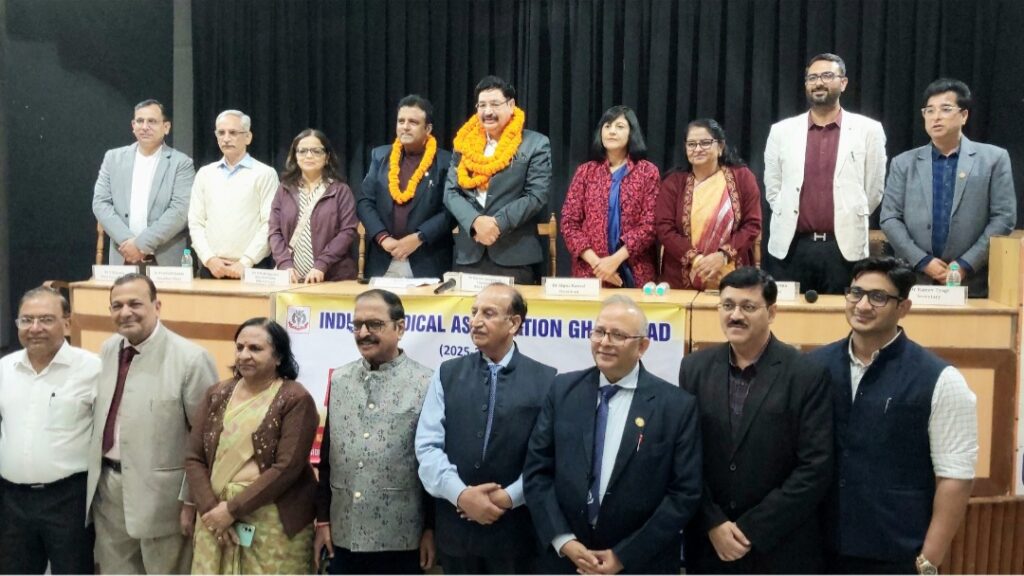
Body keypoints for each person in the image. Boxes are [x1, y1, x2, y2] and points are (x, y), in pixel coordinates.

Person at [809, 257, 977, 574]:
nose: (862, 305)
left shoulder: (941, 379)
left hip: (896, 553)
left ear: (903, 308)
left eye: (878, 297)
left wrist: (929, 561)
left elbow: (956, 476)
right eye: (856, 293)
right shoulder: (813, 367)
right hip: (817, 548)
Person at [524, 295, 702, 574]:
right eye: (599, 331)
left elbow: (684, 494)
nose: (604, 342)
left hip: (640, 563)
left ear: (642, 346)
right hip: (565, 560)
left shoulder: (676, 406)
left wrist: (624, 556)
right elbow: (537, 471)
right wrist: (563, 540)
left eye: (618, 335)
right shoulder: (562, 390)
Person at [678, 267, 833, 573]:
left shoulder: (806, 374)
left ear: (772, 312)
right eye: (727, 305)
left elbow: (815, 466)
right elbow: (684, 455)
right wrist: (713, 522)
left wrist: (751, 529)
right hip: (710, 545)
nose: (735, 315)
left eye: (748, 307)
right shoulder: (694, 368)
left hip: (779, 546)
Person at [415, 284, 556, 573]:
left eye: (488, 313)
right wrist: (461, 495)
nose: (476, 321)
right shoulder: (447, 373)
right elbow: (427, 447)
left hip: (517, 534)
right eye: (474, 312)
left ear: (513, 323)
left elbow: (550, 457)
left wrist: (509, 497)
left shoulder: (547, 380)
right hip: (456, 531)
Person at [86, 273, 218, 574]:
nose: (125, 312)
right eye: (117, 305)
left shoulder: (191, 359)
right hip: (109, 493)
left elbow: (207, 439)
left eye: (135, 304)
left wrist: (192, 500)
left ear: (157, 306)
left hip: (165, 502)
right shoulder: (108, 349)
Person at [315, 290, 436, 574]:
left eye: (374, 324)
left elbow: (432, 465)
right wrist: (323, 520)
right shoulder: (341, 379)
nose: (363, 333)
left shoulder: (427, 382)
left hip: (402, 536)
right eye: (357, 325)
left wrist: (431, 529)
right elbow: (327, 459)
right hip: (343, 532)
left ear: (400, 328)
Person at [185, 317, 318, 574]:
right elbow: (194, 457)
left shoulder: (295, 398)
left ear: (279, 357)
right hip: (215, 516)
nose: (244, 355)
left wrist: (232, 510)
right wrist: (212, 512)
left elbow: (287, 467)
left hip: (273, 522)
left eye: (255, 349)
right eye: (240, 347)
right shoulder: (217, 394)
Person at [763, 53, 887, 294]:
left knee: (843, 313)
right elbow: (773, 188)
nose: (819, 83)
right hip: (792, 247)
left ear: (843, 82)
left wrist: (851, 213)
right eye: (812, 78)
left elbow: (873, 191)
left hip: (843, 248)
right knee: (789, 314)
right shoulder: (781, 131)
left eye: (827, 76)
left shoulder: (868, 130)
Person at [880, 78, 1016, 297]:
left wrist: (966, 264)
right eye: (929, 110)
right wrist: (922, 261)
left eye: (945, 109)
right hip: (914, 278)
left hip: (973, 279)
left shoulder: (993, 159)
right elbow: (889, 217)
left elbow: (1004, 217)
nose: (936, 117)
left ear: (964, 115)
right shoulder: (903, 163)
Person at [0, 287, 101, 574]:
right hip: (11, 501)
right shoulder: (4, 368)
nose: (35, 328)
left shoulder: (92, 369)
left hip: (68, 500)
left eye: (45, 319)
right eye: (26, 320)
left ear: (67, 323)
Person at [444, 76, 552, 284]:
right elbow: (450, 192)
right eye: (482, 105)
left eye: (495, 104)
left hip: (514, 256)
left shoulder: (536, 144)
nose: (488, 111)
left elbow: (536, 195)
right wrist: (475, 222)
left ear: (511, 105)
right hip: (469, 255)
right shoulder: (464, 145)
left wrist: (497, 223)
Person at [655, 119, 763, 290]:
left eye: (705, 143)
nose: (698, 149)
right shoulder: (673, 183)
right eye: (691, 144)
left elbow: (752, 225)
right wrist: (697, 260)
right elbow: (664, 228)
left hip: (733, 274)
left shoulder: (742, 178)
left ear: (720, 147)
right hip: (681, 278)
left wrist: (723, 256)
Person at [560, 105, 660, 288]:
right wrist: (598, 265)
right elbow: (569, 223)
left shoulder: (647, 172)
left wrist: (615, 261)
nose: (612, 131)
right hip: (590, 273)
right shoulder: (585, 172)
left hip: (635, 270)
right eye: (607, 126)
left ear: (632, 133)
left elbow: (650, 225)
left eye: (619, 126)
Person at [358, 95, 454, 279]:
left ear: (428, 129)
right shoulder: (380, 156)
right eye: (401, 121)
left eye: (413, 122)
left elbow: (450, 211)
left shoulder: (445, 162)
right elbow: (365, 201)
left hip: (427, 259)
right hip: (383, 257)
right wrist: (383, 238)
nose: (405, 126)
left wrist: (419, 237)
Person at [92, 99, 194, 266]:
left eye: (152, 121)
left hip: (164, 260)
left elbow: (180, 211)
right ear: (133, 126)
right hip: (124, 255)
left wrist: (141, 245)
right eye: (140, 121)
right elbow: (100, 203)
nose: (145, 127)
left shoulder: (181, 163)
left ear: (166, 127)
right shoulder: (113, 158)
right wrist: (128, 243)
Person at [189, 109, 279, 279]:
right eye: (221, 133)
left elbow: (269, 223)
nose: (226, 138)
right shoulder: (205, 173)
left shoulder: (264, 173)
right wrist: (209, 259)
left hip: (252, 268)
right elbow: (196, 222)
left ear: (248, 137)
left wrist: (246, 261)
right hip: (212, 268)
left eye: (233, 133)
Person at [268, 128, 358, 283]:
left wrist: (321, 264)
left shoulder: (340, 190)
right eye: (302, 151)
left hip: (332, 277)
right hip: (291, 278)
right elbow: (274, 231)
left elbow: (348, 231)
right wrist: (285, 264)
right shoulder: (284, 189)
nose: (309, 156)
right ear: (295, 156)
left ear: (327, 157)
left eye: (316, 151)